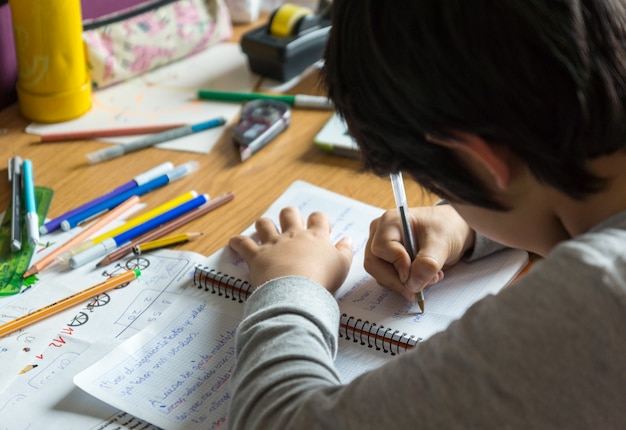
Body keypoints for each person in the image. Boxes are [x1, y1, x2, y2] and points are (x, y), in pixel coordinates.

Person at [226, 1, 626, 428]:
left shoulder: (593, 300)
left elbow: (276, 422)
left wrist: (290, 286)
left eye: (437, 184)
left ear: (485, 162)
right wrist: (466, 220)